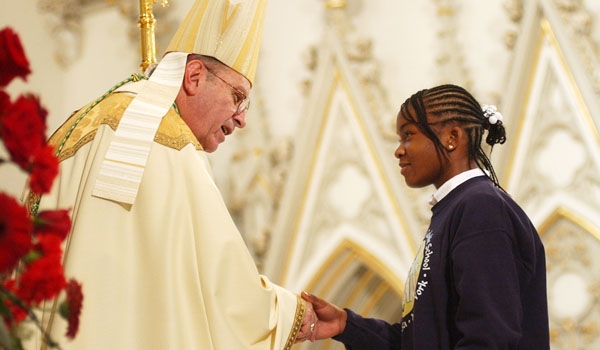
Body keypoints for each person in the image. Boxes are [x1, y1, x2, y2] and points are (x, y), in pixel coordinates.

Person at [24, 0, 317, 349]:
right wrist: (289, 313)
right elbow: (222, 286)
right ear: (193, 77)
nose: (242, 118)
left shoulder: (77, 126)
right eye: (237, 96)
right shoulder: (171, 144)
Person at [301, 84, 550, 349]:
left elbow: (490, 338)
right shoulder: (456, 209)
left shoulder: (481, 208)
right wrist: (346, 325)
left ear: (451, 137)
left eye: (408, 135)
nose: (399, 150)